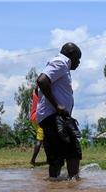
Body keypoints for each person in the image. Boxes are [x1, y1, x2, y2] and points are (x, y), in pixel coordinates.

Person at [36, 43, 83, 179]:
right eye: (78, 59)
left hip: (52, 117)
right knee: (73, 152)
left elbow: (40, 86)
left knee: (56, 156)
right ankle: (73, 184)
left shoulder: (60, 65)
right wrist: (57, 105)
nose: (79, 63)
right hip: (55, 116)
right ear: (72, 55)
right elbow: (42, 81)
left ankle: (55, 188)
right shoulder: (61, 63)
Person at [29, 89, 44, 167]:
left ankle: (50, 158)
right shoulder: (43, 93)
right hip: (40, 118)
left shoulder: (34, 92)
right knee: (40, 140)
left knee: (44, 138)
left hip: (33, 118)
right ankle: (32, 160)